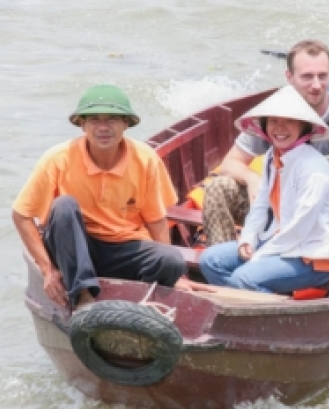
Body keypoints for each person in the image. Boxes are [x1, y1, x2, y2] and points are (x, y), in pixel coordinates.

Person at [12, 84, 204, 310]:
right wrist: (47, 270)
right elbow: (21, 215)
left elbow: (155, 219)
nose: (103, 127)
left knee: (171, 260)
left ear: (126, 124)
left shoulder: (145, 159)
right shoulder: (57, 159)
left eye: (112, 119)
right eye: (94, 120)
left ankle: (140, 301)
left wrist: (176, 277)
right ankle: (83, 295)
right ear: (82, 125)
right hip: (75, 247)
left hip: (123, 248)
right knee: (64, 205)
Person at [203, 39, 329, 279]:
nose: (316, 85)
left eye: (323, 76)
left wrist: (313, 204)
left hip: (328, 214)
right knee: (219, 188)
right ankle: (226, 271)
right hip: (276, 207)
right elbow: (230, 162)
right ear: (289, 77)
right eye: (307, 77)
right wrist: (252, 179)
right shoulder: (273, 114)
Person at [199, 86, 329, 294]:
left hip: (311, 256)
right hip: (276, 242)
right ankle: (245, 302)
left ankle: (260, 311)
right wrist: (248, 239)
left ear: (303, 126)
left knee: (244, 278)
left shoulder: (313, 169)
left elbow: (299, 228)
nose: (280, 128)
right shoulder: (272, 156)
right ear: (264, 125)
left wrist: (258, 258)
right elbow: (260, 204)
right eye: (274, 121)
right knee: (210, 260)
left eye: (289, 121)